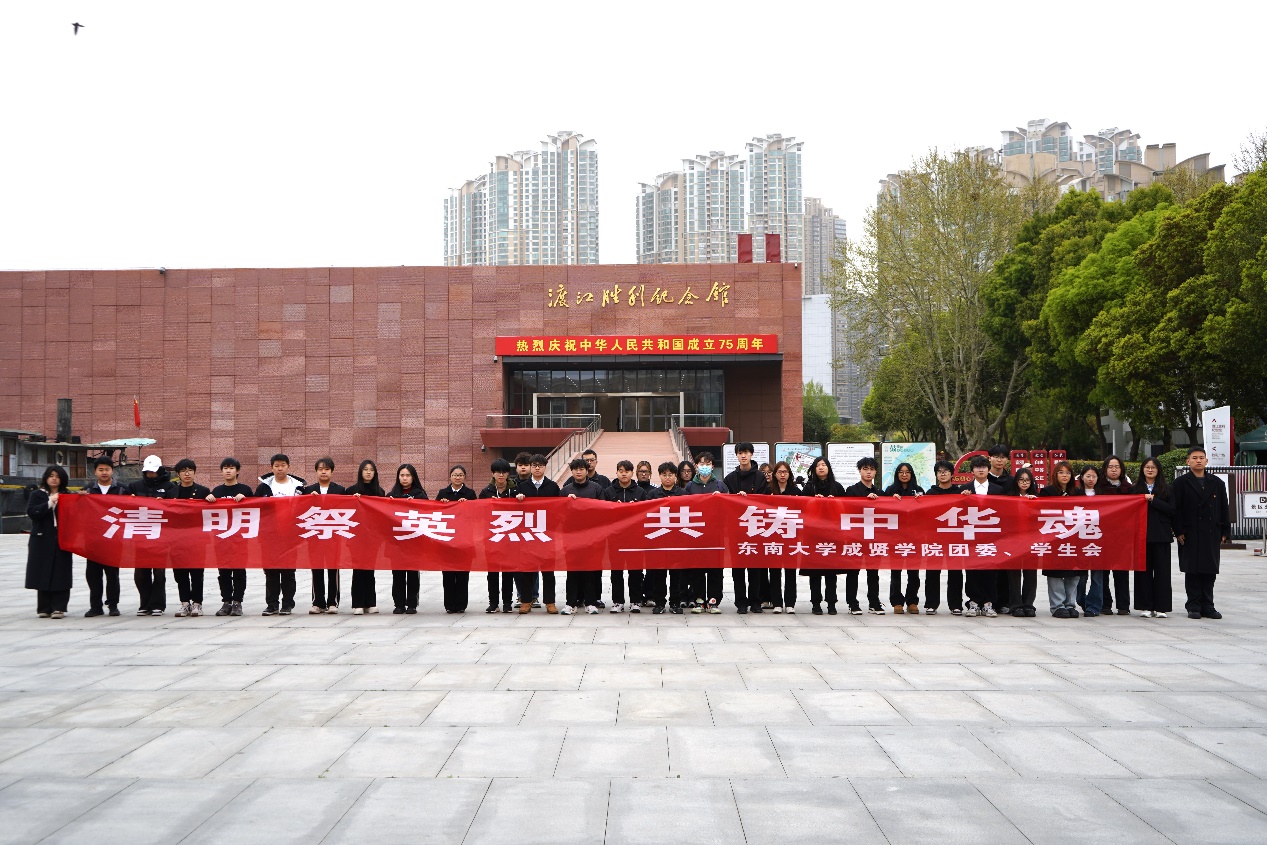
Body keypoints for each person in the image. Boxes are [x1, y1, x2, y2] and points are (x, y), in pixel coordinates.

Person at [1172, 446, 1230, 620]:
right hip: (1189, 532)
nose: (1198, 461)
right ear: (1188, 461)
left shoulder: (1217, 483)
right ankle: (1193, 605)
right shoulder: (1180, 483)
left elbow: (1224, 508)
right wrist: (1178, 530)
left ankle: (1208, 605)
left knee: (1209, 570)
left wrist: (1225, 531)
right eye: (1194, 458)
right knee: (1192, 570)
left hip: (1211, 532)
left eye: (1201, 458)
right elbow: (1176, 509)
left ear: (1206, 461)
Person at [255, 453, 304, 615]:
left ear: (288, 467)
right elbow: (255, 508)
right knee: (271, 571)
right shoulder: (263, 487)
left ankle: (287, 604)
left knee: (288, 572)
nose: (280, 468)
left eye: (283, 465)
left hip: (290, 536)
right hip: (269, 536)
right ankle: (272, 604)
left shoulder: (298, 487)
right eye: (276, 466)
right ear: (271, 468)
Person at [724, 442, 770, 614]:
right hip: (736, 529)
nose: (743, 456)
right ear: (736, 455)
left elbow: (765, 500)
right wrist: (736, 499)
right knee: (738, 569)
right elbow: (725, 501)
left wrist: (749, 498)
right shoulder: (730, 478)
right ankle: (741, 603)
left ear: (751, 454)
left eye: (746, 452)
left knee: (755, 569)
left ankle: (755, 602)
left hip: (755, 528)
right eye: (740, 453)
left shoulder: (760, 477)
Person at [127, 454, 174, 615]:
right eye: (148, 471)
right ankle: (144, 603)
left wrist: (165, 503)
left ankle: (157, 604)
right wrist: (130, 500)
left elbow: (175, 508)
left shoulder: (169, 487)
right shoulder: (134, 487)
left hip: (161, 536)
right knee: (141, 573)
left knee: (159, 573)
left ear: (159, 470)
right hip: (140, 535)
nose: (151, 474)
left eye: (153, 471)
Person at [601, 460, 649, 612]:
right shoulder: (608, 492)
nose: (623, 474)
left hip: (635, 538)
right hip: (615, 538)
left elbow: (647, 513)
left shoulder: (640, 492)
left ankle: (635, 601)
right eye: (621, 471)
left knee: (635, 571)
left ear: (632, 473)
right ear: (616, 472)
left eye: (627, 471)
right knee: (616, 571)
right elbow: (602, 513)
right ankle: (618, 602)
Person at [514, 454, 560, 613]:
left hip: (547, 534)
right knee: (527, 570)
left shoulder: (553, 486)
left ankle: (550, 602)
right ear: (531, 467)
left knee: (548, 571)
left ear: (545, 467)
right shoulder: (522, 487)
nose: (537, 468)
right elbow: (515, 510)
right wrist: (518, 499)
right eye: (534, 465)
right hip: (529, 534)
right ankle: (526, 601)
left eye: (540, 465)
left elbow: (559, 508)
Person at [300, 456, 346, 614]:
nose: (323, 472)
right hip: (315, 536)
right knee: (316, 568)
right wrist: (308, 500)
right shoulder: (308, 490)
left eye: (326, 469)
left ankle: (333, 602)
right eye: (320, 469)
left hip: (334, 535)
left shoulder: (340, 490)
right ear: (316, 472)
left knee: (333, 569)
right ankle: (318, 602)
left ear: (332, 471)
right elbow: (301, 510)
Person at [208, 457, 253, 617]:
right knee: (224, 572)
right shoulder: (216, 492)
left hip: (240, 539)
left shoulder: (245, 490)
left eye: (232, 468)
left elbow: (255, 509)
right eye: (225, 468)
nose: (228, 471)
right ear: (221, 471)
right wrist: (208, 500)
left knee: (239, 571)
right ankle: (226, 602)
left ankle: (237, 602)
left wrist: (246, 499)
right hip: (221, 539)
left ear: (237, 471)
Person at [26, 466, 73, 619]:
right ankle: (44, 607)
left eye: (57, 476)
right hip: (41, 537)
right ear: (46, 477)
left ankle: (59, 607)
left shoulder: (67, 495)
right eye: (51, 476)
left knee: (61, 571)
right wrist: (49, 503)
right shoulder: (37, 494)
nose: (54, 479)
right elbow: (32, 512)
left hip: (61, 538)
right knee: (42, 570)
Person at [961, 455, 1004, 617]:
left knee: (990, 571)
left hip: (991, 536)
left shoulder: (998, 490)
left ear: (988, 469)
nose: (981, 470)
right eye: (977, 467)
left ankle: (988, 603)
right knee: (972, 571)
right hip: (971, 536)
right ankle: (973, 602)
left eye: (984, 467)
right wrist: (962, 498)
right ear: (972, 471)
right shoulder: (964, 489)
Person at [1132, 457, 1175, 618]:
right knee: (1143, 572)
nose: (1150, 470)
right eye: (1147, 467)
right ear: (1142, 469)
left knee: (1163, 572)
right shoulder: (1135, 488)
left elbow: (1172, 510)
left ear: (1158, 470)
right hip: (1141, 535)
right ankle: (1146, 606)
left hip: (1161, 535)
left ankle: (1162, 607)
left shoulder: (1167, 489)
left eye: (1153, 468)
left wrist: (1153, 500)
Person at [1040, 461, 1083, 618]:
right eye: (1061, 472)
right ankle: (1057, 605)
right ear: (1055, 474)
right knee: (1055, 571)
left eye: (1068, 472)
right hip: (1055, 537)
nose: (1065, 475)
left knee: (1074, 571)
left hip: (1074, 537)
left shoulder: (1078, 493)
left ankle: (1070, 604)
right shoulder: (1047, 491)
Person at [803, 456, 846, 614]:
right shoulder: (809, 487)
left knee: (831, 572)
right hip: (813, 534)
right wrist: (813, 501)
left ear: (828, 468)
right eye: (818, 465)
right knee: (814, 572)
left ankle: (831, 603)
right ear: (814, 469)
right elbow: (802, 508)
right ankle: (815, 603)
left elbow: (846, 508)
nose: (821, 468)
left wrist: (835, 502)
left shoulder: (837, 487)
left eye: (824, 465)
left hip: (832, 534)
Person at [83, 457, 125, 617]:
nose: (104, 472)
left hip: (114, 538)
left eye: (107, 469)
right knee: (93, 575)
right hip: (94, 540)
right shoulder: (88, 490)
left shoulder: (122, 489)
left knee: (112, 574)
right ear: (95, 472)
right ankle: (95, 606)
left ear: (112, 470)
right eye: (100, 470)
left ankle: (113, 605)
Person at [561, 456, 604, 614]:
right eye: (575, 469)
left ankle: (590, 602)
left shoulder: (596, 489)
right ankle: (570, 603)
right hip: (571, 538)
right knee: (572, 572)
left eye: (581, 469)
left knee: (590, 571)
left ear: (587, 470)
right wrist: (567, 502)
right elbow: (560, 514)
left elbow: (603, 510)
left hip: (592, 537)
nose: (578, 472)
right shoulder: (565, 490)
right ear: (571, 471)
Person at [170, 459, 212, 617]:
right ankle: (185, 603)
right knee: (180, 573)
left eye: (190, 470)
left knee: (196, 573)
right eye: (183, 471)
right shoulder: (171, 492)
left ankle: (197, 603)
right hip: (177, 539)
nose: (187, 474)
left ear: (194, 472)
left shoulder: (203, 491)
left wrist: (211, 499)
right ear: (178, 474)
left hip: (197, 539)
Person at [685, 453, 726, 613]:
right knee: (697, 569)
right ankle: (699, 600)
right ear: (696, 466)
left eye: (707, 464)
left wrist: (722, 499)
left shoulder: (720, 486)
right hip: (695, 534)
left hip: (715, 534)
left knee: (716, 569)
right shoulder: (690, 486)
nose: (704, 466)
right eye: (701, 463)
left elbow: (729, 508)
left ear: (713, 466)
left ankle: (714, 601)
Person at [843, 456, 884, 615]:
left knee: (873, 572)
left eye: (871, 469)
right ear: (859, 471)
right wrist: (865, 501)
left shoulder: (880, 492)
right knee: (853, 572)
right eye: (865, 469)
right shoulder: (851, 490)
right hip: (855, 537)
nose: (868, 472)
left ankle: (874, 602)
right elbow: (847, 510)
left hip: (874, 538)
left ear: (875, 472)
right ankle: (852, 603)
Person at [645, 462, 686, 614]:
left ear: (675, 476)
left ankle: (675, 603)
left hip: (677, 540)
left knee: (677, 575)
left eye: (670, 475)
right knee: (658, 575)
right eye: (664, 475)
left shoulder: (683, 494)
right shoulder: (652, 495)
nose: (667, 478)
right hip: (659, 540)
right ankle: (659, 603)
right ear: (659, 476)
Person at [923, 460, 962, 615]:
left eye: (946, 471)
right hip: (935, 538)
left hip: (955, 538)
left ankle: (956, 605)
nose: (943, 474)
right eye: (939, 471)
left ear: (952, 474)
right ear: (936, 475)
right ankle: (931, 604)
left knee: (955, 572)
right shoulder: (930, 493)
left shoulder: (960, 493)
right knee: (932, 572)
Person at [435, 464, 477, 613]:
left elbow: (476, 514)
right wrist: (442, 505)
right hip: (446, 540)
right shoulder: (443, 493)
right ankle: (449, 605)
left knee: (462, 575)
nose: (457, 477)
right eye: (455, 475)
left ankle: (461, 605)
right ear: (450, 477)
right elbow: (435, 513)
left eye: (460, 475)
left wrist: (468, 505)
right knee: (447, 575)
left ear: (464, 477)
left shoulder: (470, 494)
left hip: (465, 540)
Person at [884, 462, 924, 614]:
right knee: (896, 571)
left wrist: (920, 500)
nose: (904, 475)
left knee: (914, 572)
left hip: (914, 537)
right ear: (897, 474)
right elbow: (883, 509)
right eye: (901, 472)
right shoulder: (890, 490)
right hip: (895, 537)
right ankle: (897, 602)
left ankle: (912, 601)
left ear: (911, 474)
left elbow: (925, 511)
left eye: (907, 472)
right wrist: (890, 500)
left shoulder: (919, 491)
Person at [388, 463, 428, 614]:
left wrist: (415, 505)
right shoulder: (392, 495)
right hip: (396, 542)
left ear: (413, 477)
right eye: (402, 475)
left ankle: (412, 604)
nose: (404, 478)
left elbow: (427, 513)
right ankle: (398, 604)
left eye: (408, 475)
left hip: (413, 541)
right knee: (397, 574)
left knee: (412, 574)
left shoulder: (420, 495)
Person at [346, 459, 385, 614]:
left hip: (373, 537)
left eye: (371, 470)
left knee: (370, 569)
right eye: (365, 469)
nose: (368, 472)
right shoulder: (351, 491)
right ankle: (358, 603)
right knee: (358, 569)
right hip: (355, 537)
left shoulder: (380, 492)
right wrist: (353, 501)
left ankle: (370, 602)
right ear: (360, 472)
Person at [478, 458, 517, 613]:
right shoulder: (486, 492)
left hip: (510, 538)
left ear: (508, 474)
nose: (501, 475)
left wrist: (521, 500)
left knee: (508, 572)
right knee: (492, 573)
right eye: (498, 472)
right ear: (493, 474)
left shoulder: (516, 491)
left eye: (504, 472)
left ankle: (507, 602)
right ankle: (493, 602)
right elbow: (479, 514)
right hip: (491, 538)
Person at [1096, 456, 1133, 615]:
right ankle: (1105, 604)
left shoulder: (1129, 488)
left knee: (1122, 571)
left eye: (1116, 467)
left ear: (1121, 469)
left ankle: (1123, 605)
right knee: (1102, 573)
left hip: (1122, 536)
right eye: (1110, 467)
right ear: (1105, 469)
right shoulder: (1098, 487)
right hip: (1101, 535)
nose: (1113, 470)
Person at [1003, 468, 1040, 617]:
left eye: (1027, 480)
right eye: (1021, 480)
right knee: (1014, 574)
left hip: (1032, 540)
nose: (1024, 483)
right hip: (1013, 540)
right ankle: (1016, 605)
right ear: (1016, 481)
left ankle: (1029, 604)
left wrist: (1034, 503)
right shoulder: (1009, 498)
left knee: (1031, 573)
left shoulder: (1037, 498)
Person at [767, 461, 801, 613]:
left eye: (785, 472)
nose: (782, 475)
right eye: (779, 472)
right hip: (773, 535)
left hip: (790, 535)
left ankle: (790, 603)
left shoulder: (796, 491)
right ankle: (776, 603)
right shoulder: (768, 491)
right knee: (774, 571)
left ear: (789, 474)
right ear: (775, 474)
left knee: (790, 571)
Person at [1075, 465, 1105, 617]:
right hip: (1080, 539)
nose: (1091, 479)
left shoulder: (1103, 495)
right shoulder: (1076, 494)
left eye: (1094, 476)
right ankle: (1081, 600)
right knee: (1080, 577)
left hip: (1098, 539)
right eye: (1088, 476)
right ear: (1082, 477)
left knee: (1097, 576)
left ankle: (1094, 606)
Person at [987, 446, 1014, 612]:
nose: (999, 460)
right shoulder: (982, 478)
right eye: (996, 456)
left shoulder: (1011, 481)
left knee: (1004, 567)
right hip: (985, 529)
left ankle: (1004, 602)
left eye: (1003, 457)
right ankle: (987, 600)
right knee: (987, 566)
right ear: (989, 458)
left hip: (1006, 530)